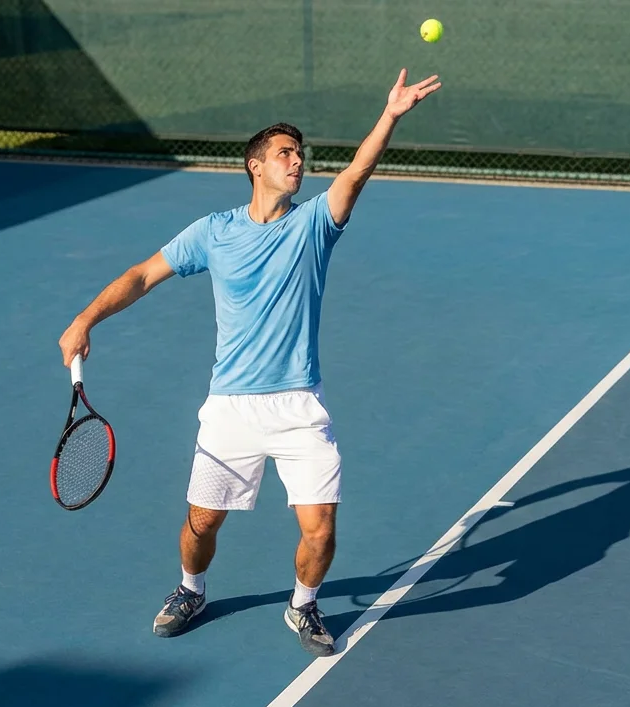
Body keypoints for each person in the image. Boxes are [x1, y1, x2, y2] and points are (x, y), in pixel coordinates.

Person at [57, 69, 442, 656]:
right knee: (203, 524)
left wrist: (388, 115)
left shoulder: (315, 224)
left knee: (321, 528)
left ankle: (303, 605)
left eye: (301, 154)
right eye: (286, 153)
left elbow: (356, 172)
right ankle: (192, 588)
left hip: (297, 405)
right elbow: (140, 276)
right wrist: (86, 319)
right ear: (255, 166)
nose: (298, 161)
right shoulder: (213, 233)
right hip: (230, 408)